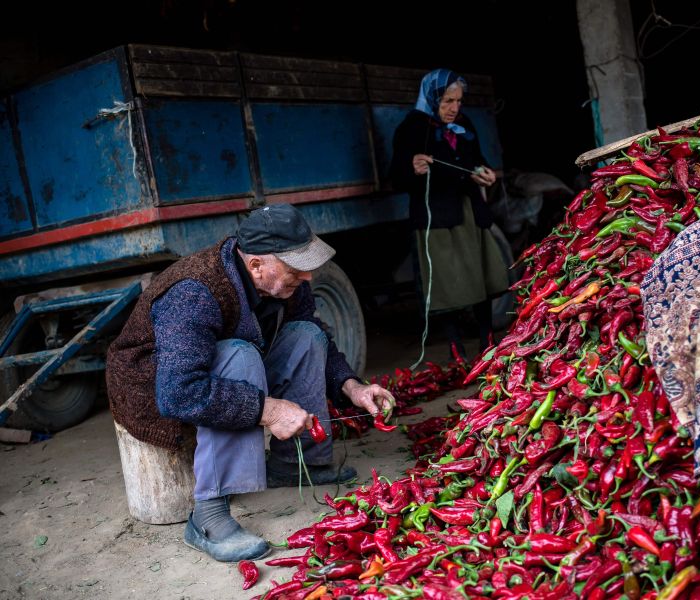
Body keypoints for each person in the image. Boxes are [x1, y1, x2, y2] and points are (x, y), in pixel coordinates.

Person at [105, 204, 394, 562]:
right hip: (153, 388)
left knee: (306, 335)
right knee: (239, 356)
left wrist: (353, 386)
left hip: (217, 369)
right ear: (256, 265)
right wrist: (268, 410)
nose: (306, 277)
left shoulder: (287, 281)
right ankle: (207, 516)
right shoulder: (195, 290)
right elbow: (178, 392)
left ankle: (294, 464)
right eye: (295, 268)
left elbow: (313, 330)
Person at [390, 68, 509, 358]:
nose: (454, 108)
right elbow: (396, 177)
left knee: (481, 276)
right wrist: (412, 169)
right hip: (436, 217)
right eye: (447, 102)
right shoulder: (411, 129)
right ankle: (456, 350)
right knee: (446, 286)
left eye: (458, 101)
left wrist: (484, 173)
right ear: (431, 98)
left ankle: (487, 340)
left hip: (469, 210)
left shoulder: (464, 124)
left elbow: (477, 160)